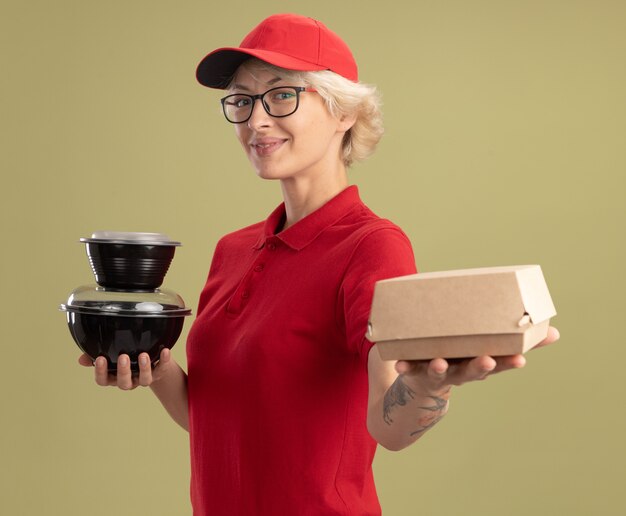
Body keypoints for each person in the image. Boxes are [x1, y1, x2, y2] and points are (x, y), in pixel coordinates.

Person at [79, 13, 559, 515]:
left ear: (343, 112)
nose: (256, 121)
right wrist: (155, 367)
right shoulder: (233, 250)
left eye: (281, 94)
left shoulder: (372, 246)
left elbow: (389, 428)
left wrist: (426, 385)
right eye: (242, 101)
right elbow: (216, 420)